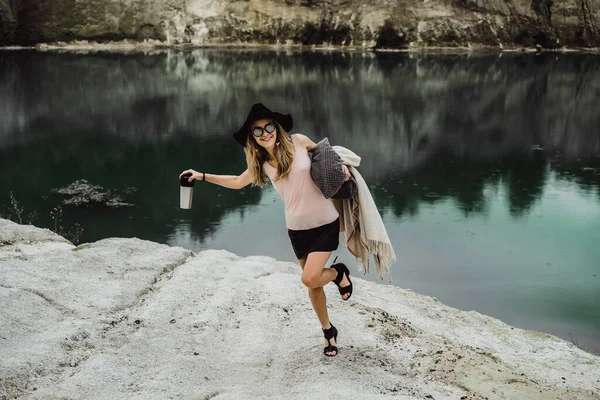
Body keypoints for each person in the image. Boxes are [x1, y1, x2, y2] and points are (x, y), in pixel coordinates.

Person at [179, 103, 353, 357]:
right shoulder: (261, 163)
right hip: (297, 230)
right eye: (258, 131)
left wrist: (343, 170)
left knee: (309, 277)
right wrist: (202, 175)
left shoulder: (299, 142)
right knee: (313, 285)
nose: (265, 133)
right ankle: (328, 331)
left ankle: (338, 274)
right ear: (253, 138)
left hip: (325, 222)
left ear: (276, 126)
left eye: (268, 126)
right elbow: (238, 182)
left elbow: (327, 158)